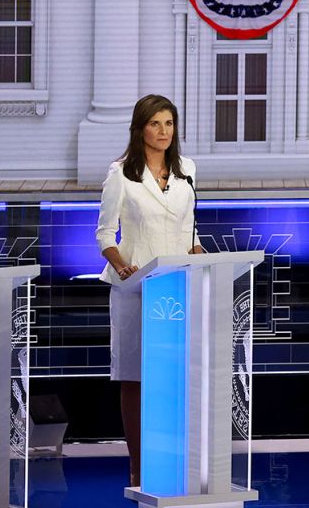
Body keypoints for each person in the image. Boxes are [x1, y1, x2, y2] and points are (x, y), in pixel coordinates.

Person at [96, 94, 201, 487]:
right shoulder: (121, 173)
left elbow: (188, 228)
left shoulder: (187, 170)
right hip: (135, 288)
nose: (163, 132)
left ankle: (175, 462)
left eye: (169, 124)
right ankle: (139, 466)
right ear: (140, 128)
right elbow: (105, 233)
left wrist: (199, 254)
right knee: (136, 378)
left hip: (177, 288)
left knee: (175, 376)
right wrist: (120, 263)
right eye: (155, 124)